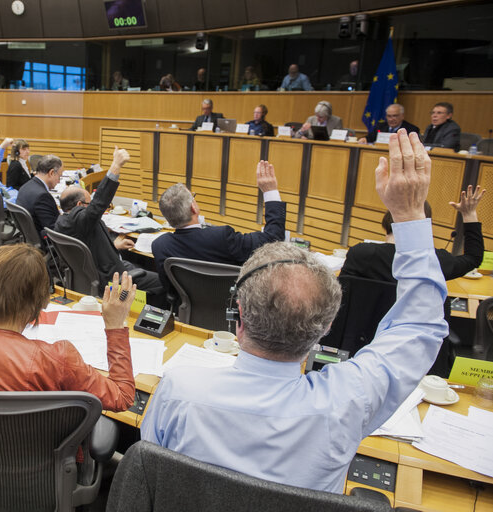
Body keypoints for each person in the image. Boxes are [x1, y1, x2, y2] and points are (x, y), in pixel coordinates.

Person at [141, 129, 448, 494]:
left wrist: (408, 215)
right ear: (326, 326)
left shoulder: (178, 390)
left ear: (237, 315)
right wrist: (410, 213)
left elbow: (151, 475)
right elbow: (420, 327)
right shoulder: (348, 400)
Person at [0, 244, 136, 416]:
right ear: (42, 302)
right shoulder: (60, 359)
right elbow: (123, 396)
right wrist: (115, 326)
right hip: (44, 468)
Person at [152, 161, 286, 296]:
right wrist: (271, 192)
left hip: (187, 312)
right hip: (231, 309)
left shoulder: (160, 245)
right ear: (193, 207)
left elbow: (170, 290)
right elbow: (273, 240)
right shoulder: (222, 237)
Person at [55, 147, 165, 295]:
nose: (92, 205)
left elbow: (87, 247)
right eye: (89, 202)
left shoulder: (62, 222)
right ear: (79, 206)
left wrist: (113, 245)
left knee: (137, 263)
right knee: (162, 282)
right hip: (110, 276)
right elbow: (98, 204)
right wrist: (116, 166)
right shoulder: (79, 218)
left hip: (100, 268)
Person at [341, 186, 485, 282]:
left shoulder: (361, 254)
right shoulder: (434, 261)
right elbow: (473, 258)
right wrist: (469, 214)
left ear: (388, 218)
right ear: (425, 225)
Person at [17, 154, 64, 236]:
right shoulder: (42, 196)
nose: (59, 181)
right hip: (45, 243)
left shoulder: (25, 186)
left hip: (30, 237)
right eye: (59, 176)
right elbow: (54, 231)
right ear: (51, 173)